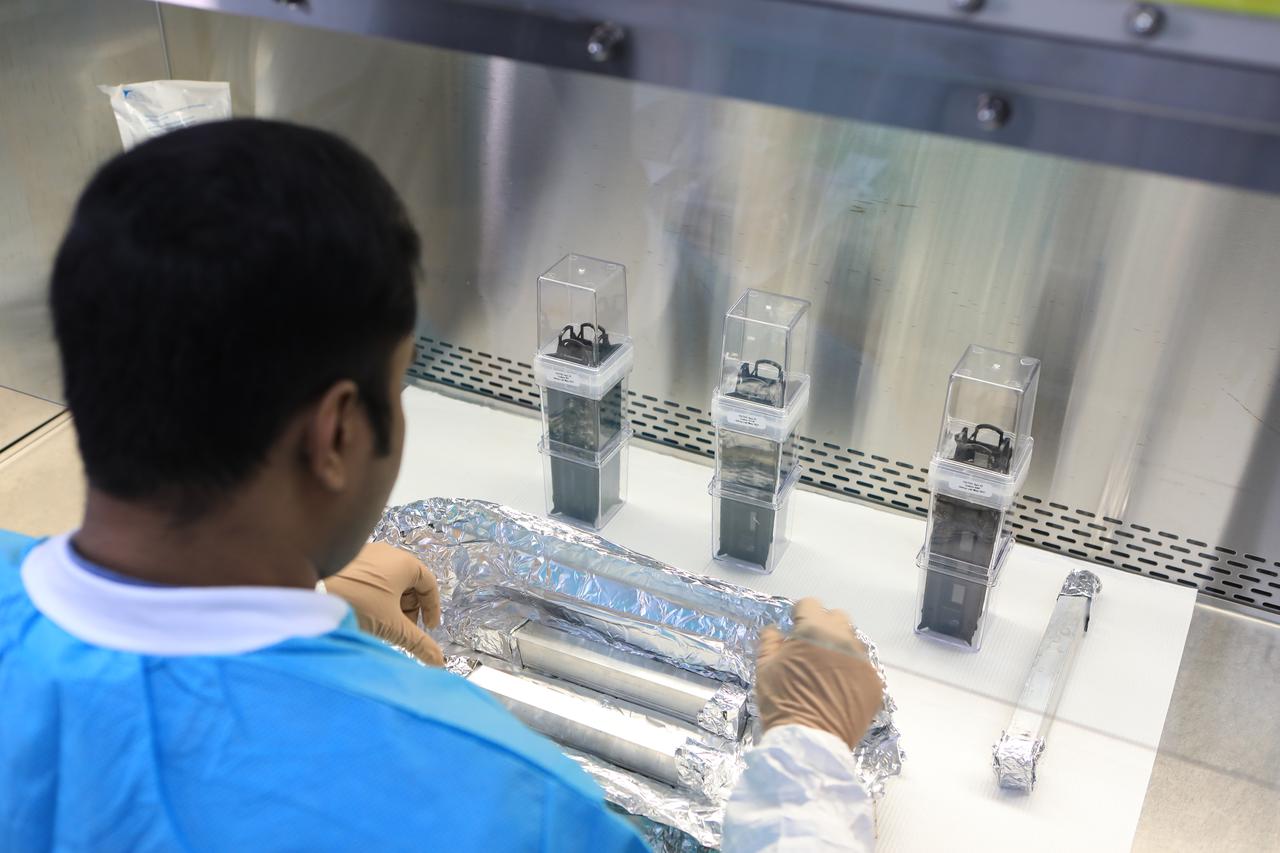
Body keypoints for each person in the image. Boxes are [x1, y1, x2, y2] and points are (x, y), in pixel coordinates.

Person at [0, 119, 882, 851]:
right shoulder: (495, 801)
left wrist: (298, 584)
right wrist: (807, 752)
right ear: (337, 433)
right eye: (402, 379)